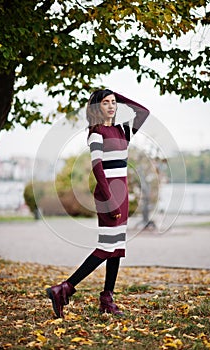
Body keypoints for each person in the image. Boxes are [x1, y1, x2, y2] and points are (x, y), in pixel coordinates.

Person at [46, 89, 150, 318]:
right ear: (96, 108)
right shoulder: (96, 133)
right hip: (107, 196)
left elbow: (143, 112)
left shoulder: (123, 130)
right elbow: (97, 169)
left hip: (121, 195)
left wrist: (120, 97)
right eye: (106, 103)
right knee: (105, 248)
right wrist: (110, 202)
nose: (112, 106)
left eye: (114, 103)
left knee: (116, 250)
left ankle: (107, 299)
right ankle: (64, 289)